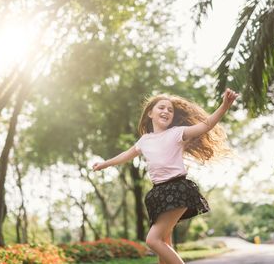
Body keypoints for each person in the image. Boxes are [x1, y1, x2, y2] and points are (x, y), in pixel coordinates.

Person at [93, 88, 238, 264]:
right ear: (150, 113)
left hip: (177, 189)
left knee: (152, 241)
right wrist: (105, 164)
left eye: (170, 110)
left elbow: (206, 125)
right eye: (161, 108)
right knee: (164, 243)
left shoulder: (177, 133)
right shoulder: (144, 140)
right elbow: (125, 155)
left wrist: (224, 106)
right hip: (158, 193)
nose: (166, 112)